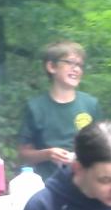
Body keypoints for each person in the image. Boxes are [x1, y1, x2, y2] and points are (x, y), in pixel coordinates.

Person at [17, 40, 103, 180]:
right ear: (51, 66)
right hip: (48, 183)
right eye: (70, 63)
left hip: (86, 183)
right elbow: (24, 155)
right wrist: (48, 154)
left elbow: (103, 148)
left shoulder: (90, 105)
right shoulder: (35, 107)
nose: (76, 69)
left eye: (80, 65)